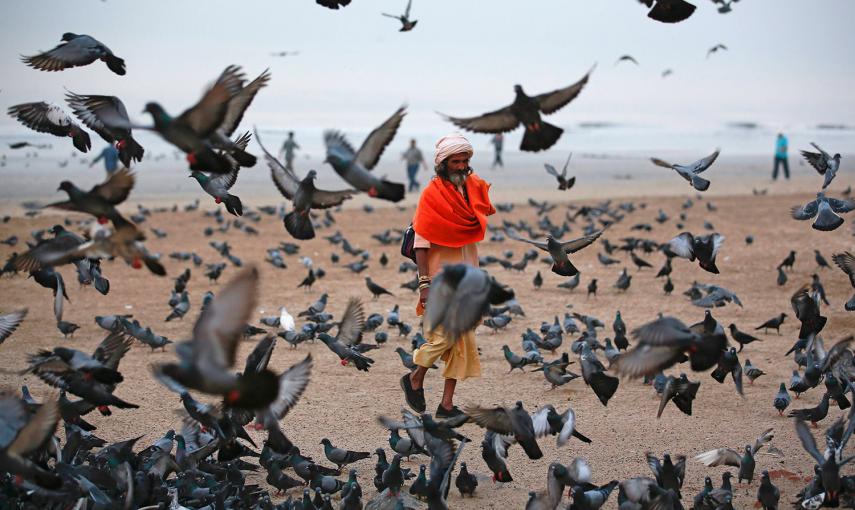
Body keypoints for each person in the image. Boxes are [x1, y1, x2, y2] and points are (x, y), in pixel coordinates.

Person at [400, 133, 496, 418]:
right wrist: (424, 284)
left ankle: (446, 405)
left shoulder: (471, 189)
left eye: (466, 160)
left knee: (463, 340)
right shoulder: (431, 195)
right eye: (456, 160)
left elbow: (484, 209)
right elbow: (420, 243)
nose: (462, 165)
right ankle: (415, 377)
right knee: (445, 336)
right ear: (443, 163)